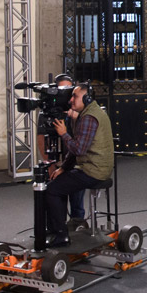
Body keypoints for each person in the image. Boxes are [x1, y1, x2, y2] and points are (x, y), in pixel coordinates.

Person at [42, 83, 114, 249]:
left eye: (75, 96)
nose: (71, 100)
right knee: (57, 185)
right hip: (90, 166)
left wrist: (64, 134)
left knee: (52, 190)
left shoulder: (89, 118)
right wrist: (63, 169)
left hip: (93, 170)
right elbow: (76, 151)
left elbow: (78, 149)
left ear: (87, 98)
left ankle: (61, 235)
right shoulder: (88, 114)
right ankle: (57, 230)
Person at [39, 74, 84, 222]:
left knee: (77, 202)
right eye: (61, 90)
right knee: (56, 200)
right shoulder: (48, 111)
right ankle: (58, 229)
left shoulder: (79, 111)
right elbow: (41, 138)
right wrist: (49, 164)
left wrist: (74, 115)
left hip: (74, 163)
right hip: (56, 161)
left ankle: (78, 228)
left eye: (68, 90)